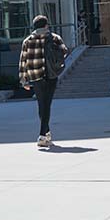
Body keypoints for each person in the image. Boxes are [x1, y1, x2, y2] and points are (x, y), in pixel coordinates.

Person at [19, 14, 69, 148]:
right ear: (46, 25)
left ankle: (45, 134)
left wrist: (24, 80)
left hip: (35, 76)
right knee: (47, 104)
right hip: (51, 74)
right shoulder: (54, 38)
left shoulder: (27, 41)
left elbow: (23, 61)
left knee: (42, 104)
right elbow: (64, 52)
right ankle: (43, 134)